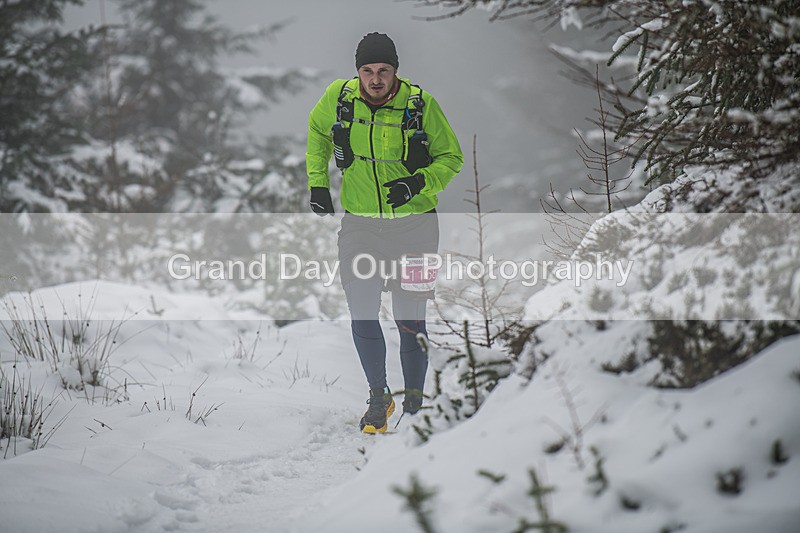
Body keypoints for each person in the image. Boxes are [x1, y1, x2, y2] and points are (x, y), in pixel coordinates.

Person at [306, 32, 463, 433]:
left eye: (384, 70)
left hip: (417, 227)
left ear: (396, 71)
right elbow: (317, 135)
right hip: (361, 226)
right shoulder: (339, 99)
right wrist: (318, 183)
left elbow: (452, 158)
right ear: (357, 71)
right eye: (367, 71)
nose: (375, 79)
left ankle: (413, 410)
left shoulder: (420, 105)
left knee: (410, 318)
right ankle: (379, 397)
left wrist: (418, 183)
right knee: (361, 307)